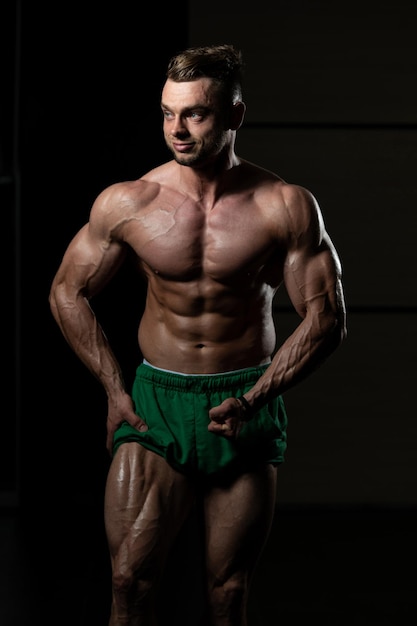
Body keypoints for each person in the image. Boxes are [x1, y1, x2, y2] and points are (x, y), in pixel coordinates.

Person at [49, 43, 347, 626]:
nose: (177, 130)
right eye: (167, 113)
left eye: (195, 114)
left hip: (244, 398)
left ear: (235, 115)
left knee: (227, 593)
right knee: (128, 581)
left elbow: (326, 317)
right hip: (157, 402)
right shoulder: (129, 202)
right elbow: (67, 291)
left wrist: (257, 397)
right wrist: (114, 388)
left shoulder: (284, 206)